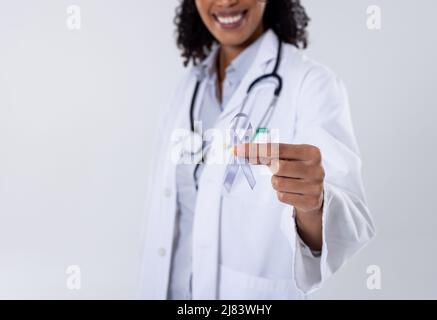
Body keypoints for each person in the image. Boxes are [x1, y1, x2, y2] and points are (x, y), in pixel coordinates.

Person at [140, 0, 375, 300]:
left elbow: (345, 222)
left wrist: (312, 206)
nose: (225, 2)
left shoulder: (311, 85)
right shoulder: (187, 87)